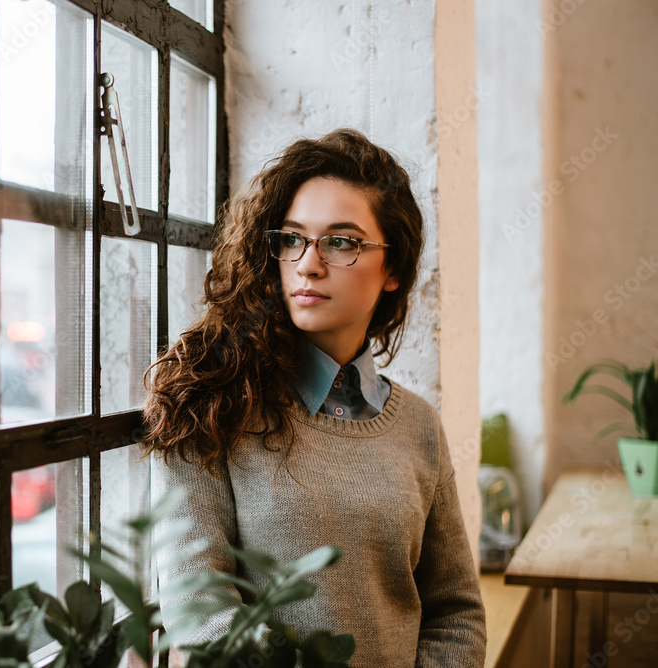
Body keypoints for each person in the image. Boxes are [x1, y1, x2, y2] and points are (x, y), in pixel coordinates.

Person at [143, 129, 486, 667]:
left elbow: (455, 612)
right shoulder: (210, 403)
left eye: (342, 242)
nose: (308, 263)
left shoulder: (420, 426)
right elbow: (198, 607)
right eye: (293, 238)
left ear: (393, 268)